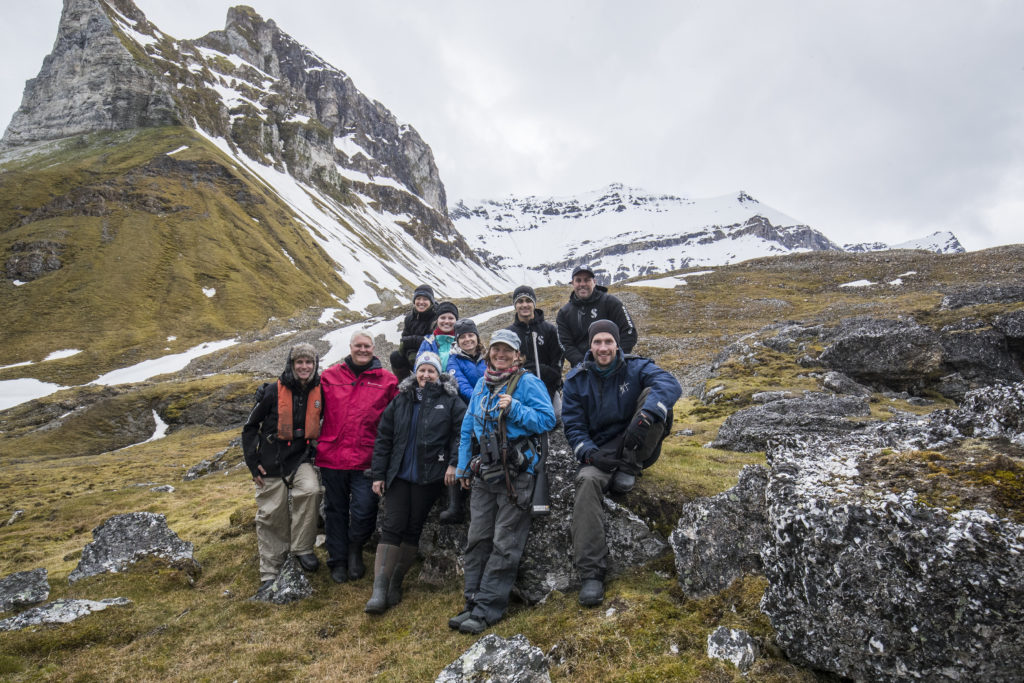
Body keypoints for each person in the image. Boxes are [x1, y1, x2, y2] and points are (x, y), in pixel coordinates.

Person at [562, 320, 681, 607]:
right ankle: (591, 574)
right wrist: (590, 454)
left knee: (656, 401)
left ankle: (630, 466)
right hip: (601, 450)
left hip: (636, 441)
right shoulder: (576, 380)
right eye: (597, 342)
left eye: (608, 342)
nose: (603, 348)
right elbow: (573, 426)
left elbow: (670, 384)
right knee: (587, 481)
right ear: (590, 346)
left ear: (617, 344)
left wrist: (648, 414)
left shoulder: (636, 367)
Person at [449, 329, 556, 634]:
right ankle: (471, 602)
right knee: (477, 539)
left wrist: (516, 408)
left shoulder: (527, 382)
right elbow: (469, 425)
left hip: (517, 475)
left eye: (507, 350)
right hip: (485, 472)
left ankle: (487, 610)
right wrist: (463, 469)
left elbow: (547, 419)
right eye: (496, 349)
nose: (500, 354)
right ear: (489, 353)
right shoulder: (483, 383)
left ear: (518, 355)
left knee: (504, 542)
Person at [365, 352, 466, 614]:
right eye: (422, 370)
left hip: (430, 477)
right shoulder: (401, 400)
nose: (425, 375)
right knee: (392, 526)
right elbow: (384, 437)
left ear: (439, 373)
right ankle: (379, 590)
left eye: (431, 371)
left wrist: (454, 463)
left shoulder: (451, 400)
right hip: (398, 475)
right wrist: (378, 474)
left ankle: (396, 583)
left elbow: (461, 434)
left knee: (412, 529)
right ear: (415, 373)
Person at [316, 331, 399, 584]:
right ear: (350, 347)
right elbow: (310, 407)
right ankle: (337, 560)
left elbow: (397, 418)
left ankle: (355, 549)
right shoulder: (329, 377)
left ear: (374, 349)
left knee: (364, 509)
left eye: (367, 346)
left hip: (367, 458)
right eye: (358, 346)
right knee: (335, 510)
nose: (362, 350)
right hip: (332, 457)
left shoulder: (387, 380)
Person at [241, 343, 323, 590]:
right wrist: (253, 465)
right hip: (270, 462)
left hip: (300, 460)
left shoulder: (320, 390)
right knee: (271, 515)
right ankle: (270, 570)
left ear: (315, 364)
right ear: (291, 364)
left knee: (311, 491)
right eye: (300, 362)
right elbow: (249, 428)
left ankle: (302, 548)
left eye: (309, 362)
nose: (304, 367)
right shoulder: (271, 392)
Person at [439, 318, 487, 524]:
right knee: (459, 443)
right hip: (466, 408)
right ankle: (455, 505)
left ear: (477, 337)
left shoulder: (487, 356)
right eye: (463, 337)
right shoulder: (453, 360)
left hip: (488, 407)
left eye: (470, 335)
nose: (467, 340)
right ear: (457, 340)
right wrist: (482, 399)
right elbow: (461, 386)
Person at [556, 265, 637, 368]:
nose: (582, 284)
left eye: (587, 280)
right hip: (582, 369)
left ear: (594, 281)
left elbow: (629, 331)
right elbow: (565, 344)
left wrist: (615, 358)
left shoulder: (611, 302)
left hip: (614, 366)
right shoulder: (564, 313)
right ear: (572, 283)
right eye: (578, 280)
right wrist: (582, 363)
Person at [506, 285, 563, 400]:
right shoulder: (509, 334)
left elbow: (557, 366)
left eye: (528, 301)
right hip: (518, 390)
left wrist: (549, 393)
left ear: (534, 304)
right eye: (520, 301)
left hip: (548, 388)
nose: (524, 305)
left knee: (557, 414)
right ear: (515, 305)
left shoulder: (550, 330)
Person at [390, 284, 436, 382]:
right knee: (395, 357)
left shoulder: (436, 318)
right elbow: (404, 339)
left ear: (431, 301)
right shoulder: (409, 318)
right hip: (413, 353)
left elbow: (431, 341)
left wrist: (411, 341)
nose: (421, 302)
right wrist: (411, 352)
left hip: (432, 355)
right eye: (418, 298)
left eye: (425, 299)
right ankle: (406, 384)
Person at [417, 301, 459, 373]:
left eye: (451, 318)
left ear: (456, 321)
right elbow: (418, 367)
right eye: (443, 318)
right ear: (437, 320)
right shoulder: (428, 342)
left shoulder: (462, 341)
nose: (446, 321)